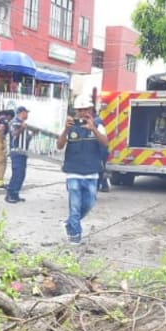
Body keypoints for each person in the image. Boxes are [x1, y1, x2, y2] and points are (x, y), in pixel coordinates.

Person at [57, 95, 108, 244]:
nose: (83, 113)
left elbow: (105, 143)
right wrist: (66, 130)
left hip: (91, 172)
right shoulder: (70, 124)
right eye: (80, 110)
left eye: (86, 109)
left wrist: (94, 129)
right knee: (75, 205)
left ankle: (70, 223)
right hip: (73, 172)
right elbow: (59, 145)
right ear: (76, 111)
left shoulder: (98, 124)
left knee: (89, 203)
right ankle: (75, 236)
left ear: (91, 110)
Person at [5, 106, 32, 204]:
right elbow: (15, 134)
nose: (27, 115)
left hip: (23, 152)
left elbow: (26, 138)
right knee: (17, 173)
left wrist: (32, 134)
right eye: (26, 112)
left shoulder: (22, 123)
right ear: (21, 112)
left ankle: (15, 194)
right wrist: (21, 128)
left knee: (21, 174)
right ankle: (10, 194)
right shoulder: (14, 122)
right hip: (16, 151)